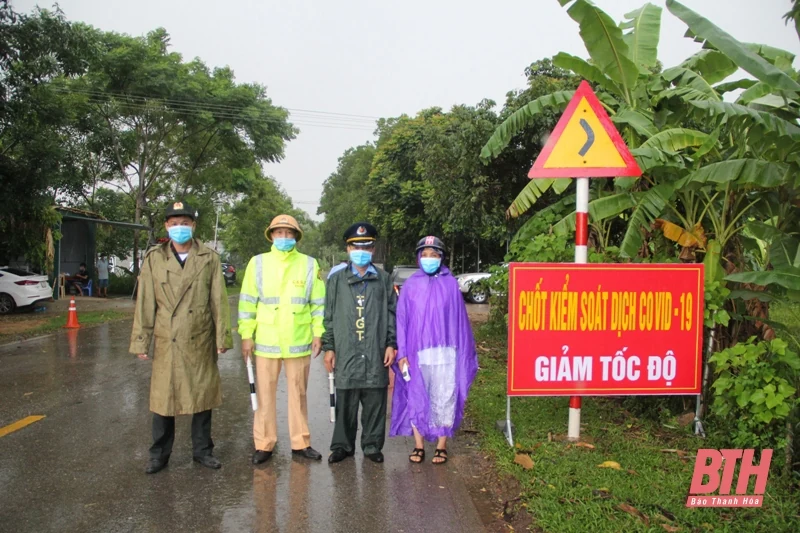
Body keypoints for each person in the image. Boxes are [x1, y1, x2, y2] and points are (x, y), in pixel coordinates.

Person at [129, 200, 232, 474]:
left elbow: (218, 301)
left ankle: (203, 451)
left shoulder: (208, 257)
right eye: (174, 223)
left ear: (194, 225)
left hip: (199, 336)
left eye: (184, 223)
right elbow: (145, 302)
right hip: (168, 338)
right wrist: (142, 339)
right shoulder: (154, 258)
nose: (179, 228)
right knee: (164, 399)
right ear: (166, 226)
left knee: (202, 396)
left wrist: (222, 338)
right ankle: (158, 455)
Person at [238, 214, 326, 464]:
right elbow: (247, 302)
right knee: (264, 395)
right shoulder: (257, 263)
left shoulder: (309, 264)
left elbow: (318, 304)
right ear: (271, 235)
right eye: (279, 233)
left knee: (298, 394)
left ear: (296, 237)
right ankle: (264, 444)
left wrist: (318, 332)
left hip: (298, 340)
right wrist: (247, 335)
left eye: (289, 234)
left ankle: (301, 443)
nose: (284, 238)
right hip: (266, 341)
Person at [389, 236, 477, 465]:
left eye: (434, 255)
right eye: (425, 254)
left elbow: (459, 322)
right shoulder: (410, 285)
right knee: (417, 395)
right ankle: (418, 446)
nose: (429, 259)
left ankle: (441, 445)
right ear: (419, 257)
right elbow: (402, 320)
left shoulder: (450, 285)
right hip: (417, 354)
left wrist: (463, 353)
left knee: (444, 398)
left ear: (441, 257)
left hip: (446, 353)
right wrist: (403, 352)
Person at [323, 222, 397, 464]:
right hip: (346, 350)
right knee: (345, 399)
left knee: (375, 399)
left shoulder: (384, 280)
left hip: (375, 350)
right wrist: (330, 347)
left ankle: (372, 445)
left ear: (373, 249)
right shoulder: (336, 280)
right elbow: (329, 316)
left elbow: (392, 313)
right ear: (348, 249)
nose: (361, 250)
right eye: (356, 246)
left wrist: (391, 343)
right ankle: (342, 446)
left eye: (366, 246)